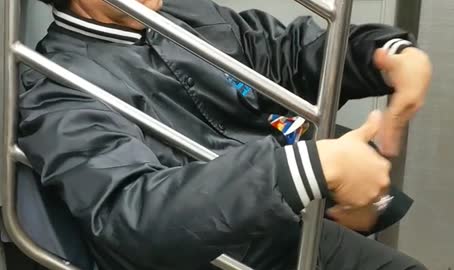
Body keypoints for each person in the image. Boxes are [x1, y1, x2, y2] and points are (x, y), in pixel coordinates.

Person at [19, 0, 432, 269]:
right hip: (220, 254)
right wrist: (309, 168)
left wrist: (382, 53)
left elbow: (287, 53)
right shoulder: (57, 87)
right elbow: (132, 217)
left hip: (282, 220)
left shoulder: (185, 15)